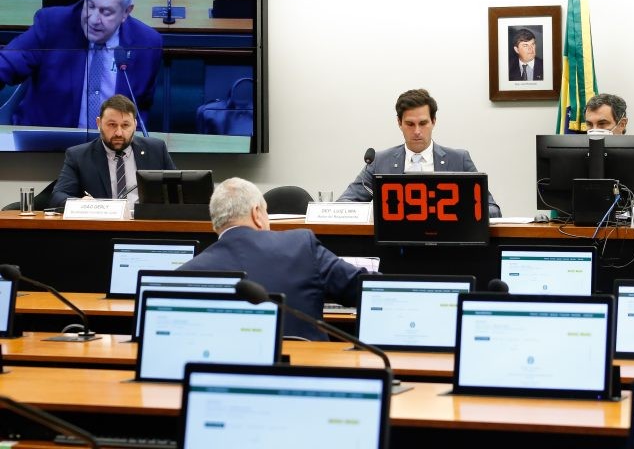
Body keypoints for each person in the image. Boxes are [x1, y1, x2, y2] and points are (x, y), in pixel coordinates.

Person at [176, 177, 370, 341]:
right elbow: (364, 288)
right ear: (257, 214)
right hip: (306, 375)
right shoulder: (300, 245)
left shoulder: (185, 274)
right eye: (266, 211)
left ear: (215, 223)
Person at [0, 0, 162, 128]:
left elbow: (141, 106)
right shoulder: (53, 25)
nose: (93, 19)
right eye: (90, 5)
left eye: (105, 12)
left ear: (126, 12)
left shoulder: (147, 44)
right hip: (49, 143)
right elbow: (5, 64)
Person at [337, 88, 502, 217]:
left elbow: (493, 209)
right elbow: (344, 204)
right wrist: (377, 213)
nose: (417, 131)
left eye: (423, 123)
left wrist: (454, 211)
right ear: (399, 123)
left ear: (434, 122)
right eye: (410, 124)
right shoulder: (379, 161)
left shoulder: (459, 160)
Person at [50, 94, 175, 208]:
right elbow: (58, 196)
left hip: (146, 227)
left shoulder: (156, 150)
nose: (119, 133)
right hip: (102, 229)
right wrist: (80, 203)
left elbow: (177, 190)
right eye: (112, 125)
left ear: (135, 124)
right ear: (99, 123)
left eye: (125, 125)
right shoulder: (79, 156)